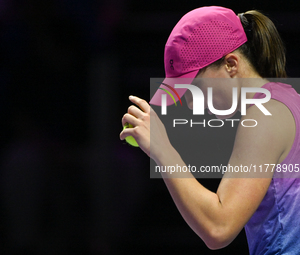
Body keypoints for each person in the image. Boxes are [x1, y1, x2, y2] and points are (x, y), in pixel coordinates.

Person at [120, 6, 300, 254]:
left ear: (231, 64)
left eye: (196, 86)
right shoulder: (288, 101)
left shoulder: (263, 116)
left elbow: (219, 227)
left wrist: (162, 150)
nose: (192, 103)